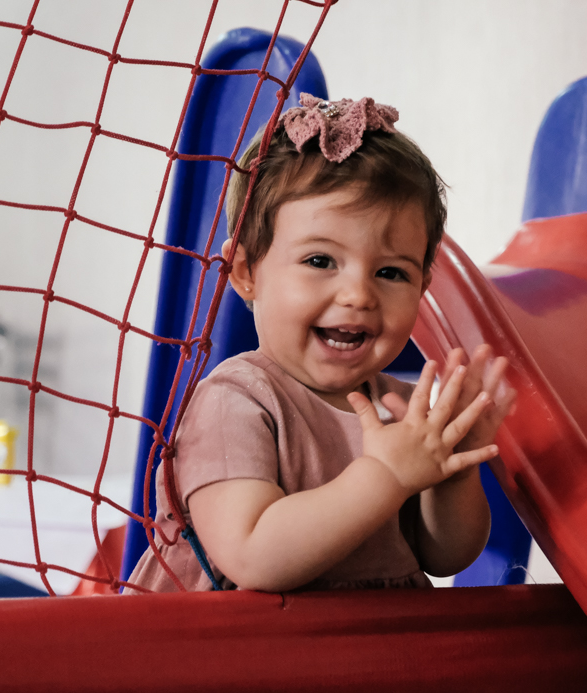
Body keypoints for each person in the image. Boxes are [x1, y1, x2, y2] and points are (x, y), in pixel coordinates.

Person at [126, 94, 514, 593]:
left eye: (391, 272)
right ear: (246, 271)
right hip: (232, 660)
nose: (358, 295)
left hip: (366, 658)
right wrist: (385, 477)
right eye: (320, 261)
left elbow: (442, 556)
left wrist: (451, 472)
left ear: (422, 286)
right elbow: (253, 555)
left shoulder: (396, 406)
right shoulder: (237, 401)